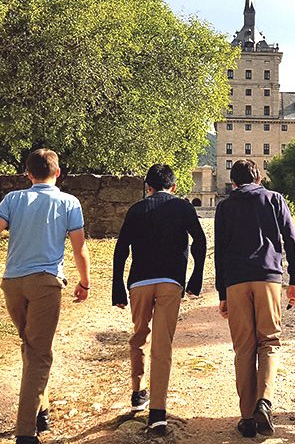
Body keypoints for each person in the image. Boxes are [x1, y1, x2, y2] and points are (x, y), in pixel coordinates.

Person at [0, 149, 91, 444]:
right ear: (58, 173)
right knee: (40, 354)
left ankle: (41, 412)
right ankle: (25, 432)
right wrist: (85, 282)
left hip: (12, 283)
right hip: (45, 284)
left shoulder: (13, 200)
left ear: (28, 175)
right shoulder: (69, 202)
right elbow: (79, 248)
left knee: (31, 347)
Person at [112, 163, 206, 435]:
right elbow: (199, 241)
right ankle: (158, 413)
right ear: (174, 186)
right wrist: (196, 278)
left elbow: (121, 251)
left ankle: (137, 391)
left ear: (148, 187)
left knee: (139, 335)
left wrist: (117, 288)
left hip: (139, 282)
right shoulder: (183, 207)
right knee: (162, 344)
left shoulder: (137, 209)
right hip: (170, 282)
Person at [214, 159, 295, 438]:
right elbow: (291, 239)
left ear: (233, 182)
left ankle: (247, 418)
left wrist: (221, 293)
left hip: (236, 280)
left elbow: (221, 250)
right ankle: (264, 401)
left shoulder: (225, 206)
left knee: (243, 348)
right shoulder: (275, 200)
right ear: (259, 178)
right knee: (269, 342)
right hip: (268, 277)